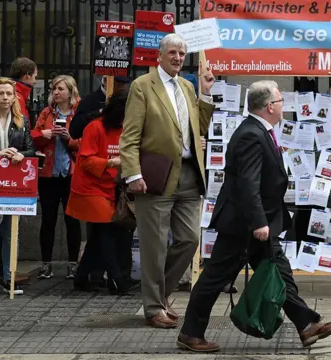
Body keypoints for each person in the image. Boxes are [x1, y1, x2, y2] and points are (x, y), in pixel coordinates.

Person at [178, 80, 331, 353]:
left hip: (260, 222)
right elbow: (247, 184)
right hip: (244, 225)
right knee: (215, 278)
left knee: (279, 271)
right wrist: (258, 223)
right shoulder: (251, 135)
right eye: (280, 102)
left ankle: (306, 325)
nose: (283, 106)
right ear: (269, 106)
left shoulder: (260, 130)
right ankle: (190, 333)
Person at [119, 33, 215, 329]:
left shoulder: (187, 86)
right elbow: (130, 135)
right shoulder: (142, 87)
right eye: (172, 53)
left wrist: (206, 94)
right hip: (156, 177)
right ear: (159, 57)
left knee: (189, 239)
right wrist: (133, 174)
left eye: (182, 54)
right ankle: (153, 308)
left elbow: (199, 126)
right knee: (155, 246)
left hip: (188, 174)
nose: (177, 58)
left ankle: (159, 296)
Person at [66, 89, 137, 295]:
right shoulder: (95, 128)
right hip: (89, 188)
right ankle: (116, 280)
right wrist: (110, 162)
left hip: (108, 187)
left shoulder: (124, 129)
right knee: (105, 232)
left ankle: (81, 278)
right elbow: (85, 160)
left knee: (99, 235)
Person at [0, 77, 36, 296]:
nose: (5, 97)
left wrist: (20, 155)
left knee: (9, 233)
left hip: (14, 182)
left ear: (14, 97)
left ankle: (8, 278)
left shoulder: (21, 120)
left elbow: (31, 150)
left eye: (9, 94)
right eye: (1, 93)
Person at [31, 75, 82, 280]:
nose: (56, 92)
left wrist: (68, 138)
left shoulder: (78, 113)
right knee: (48, 220)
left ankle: (72, 264)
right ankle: (46, 264)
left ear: (70, 90)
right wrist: (47, 133)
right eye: (54, 89)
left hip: (71, 173)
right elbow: (33, 138)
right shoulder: (46, 112)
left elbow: (85, 142)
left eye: (60, 88)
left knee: (72, 220)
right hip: (48, 174)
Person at [69, 76, 131, 140]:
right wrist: (99, 112)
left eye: (124, 85)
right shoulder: (90, 100)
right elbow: (74, 131)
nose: (122, 89)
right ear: (105, 81)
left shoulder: (126, 100)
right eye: (118, 85)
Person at [9, 57, 38, 124]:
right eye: (35, 77)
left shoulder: (14, 92)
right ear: (28, 75)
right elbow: (20, 129)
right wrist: (41, 133)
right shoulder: (17, 96)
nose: (35, 81)